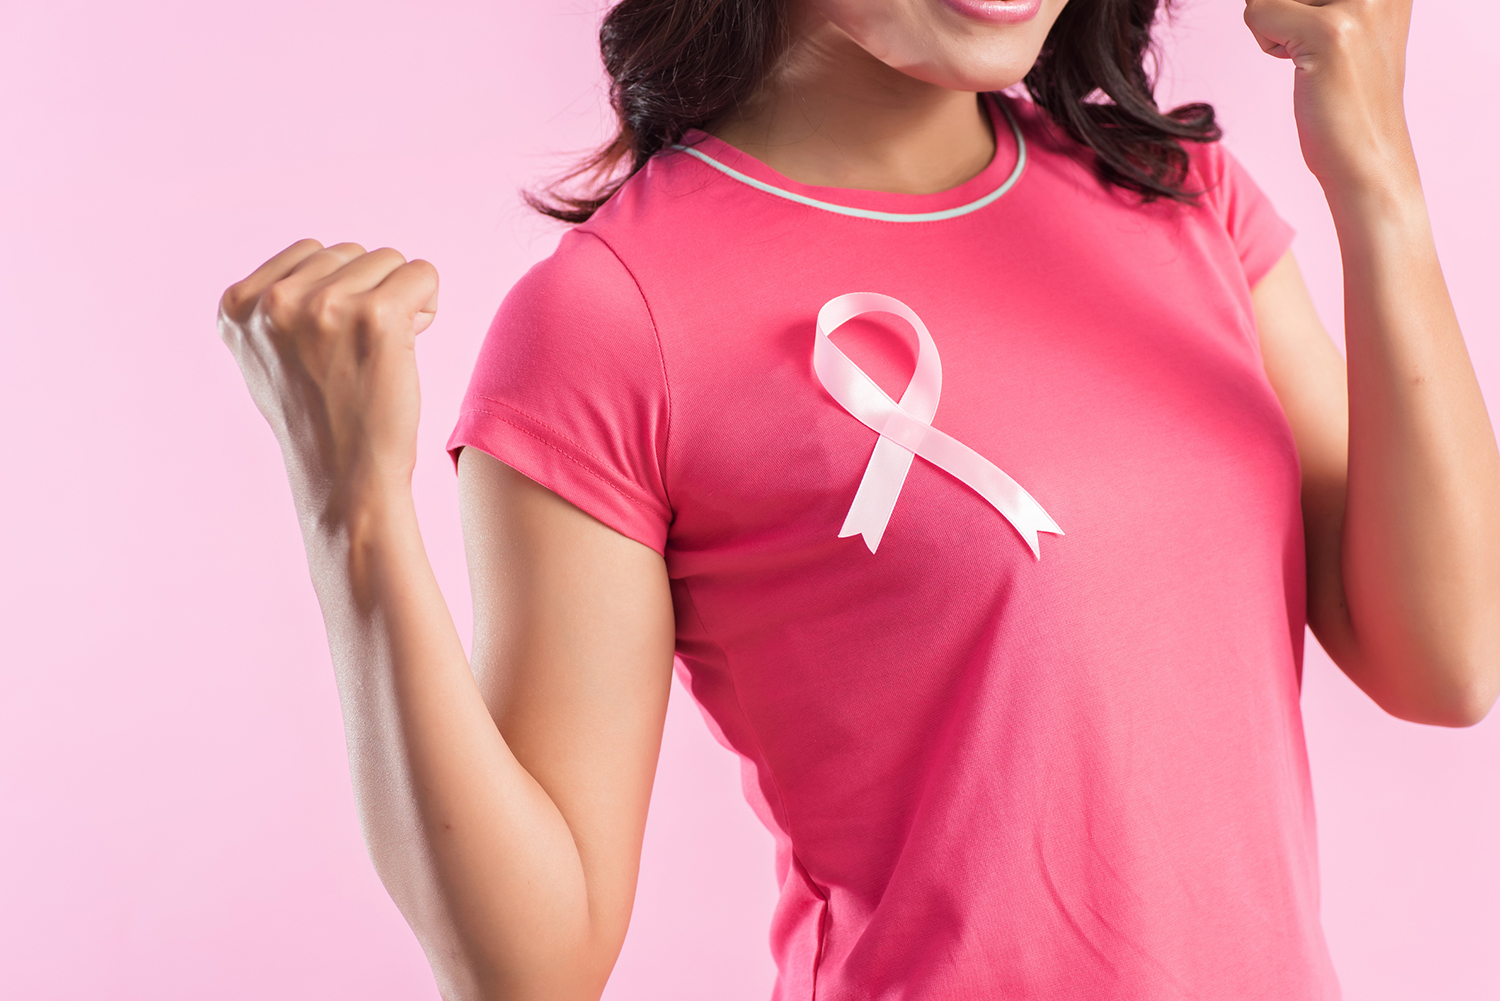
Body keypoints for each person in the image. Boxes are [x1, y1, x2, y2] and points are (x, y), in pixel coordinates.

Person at [218, 0, 1500, 997]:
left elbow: (1445, 660)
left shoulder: (1184, 203)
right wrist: (357, 518)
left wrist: (1376, 175)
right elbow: (529, 966)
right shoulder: (617, 320)